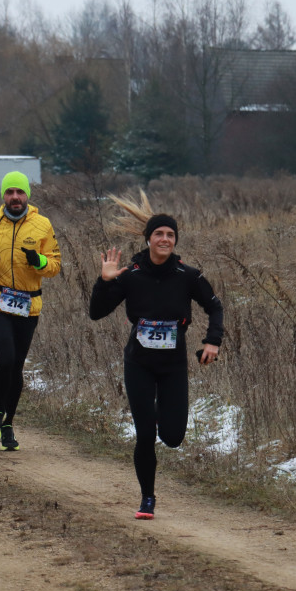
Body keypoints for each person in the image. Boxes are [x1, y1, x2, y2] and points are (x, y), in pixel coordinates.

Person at [89, 192, 223, 520]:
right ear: (148, 239)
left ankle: (164, 413)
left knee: (173, 437)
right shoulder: (131, 274)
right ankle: (147, 498)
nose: (165, 239)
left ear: (175, 241)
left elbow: (215, 306)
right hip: (139, 364)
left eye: (170, 235)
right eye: (159, 234)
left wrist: (212, 342)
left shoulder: (188, 276)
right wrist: (103, 282)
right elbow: (96, 312)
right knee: (145, 433)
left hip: (173, 365)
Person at [0, 171, 61, 451]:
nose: (15, 197)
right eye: (10, 192)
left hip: (29, 304)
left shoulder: (42, 225)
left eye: (20, 192)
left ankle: (8, 424)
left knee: (16, 366)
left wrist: (39, 260)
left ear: (27, 195)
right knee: (5, 358)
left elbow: (55, 266)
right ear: (3, 196)